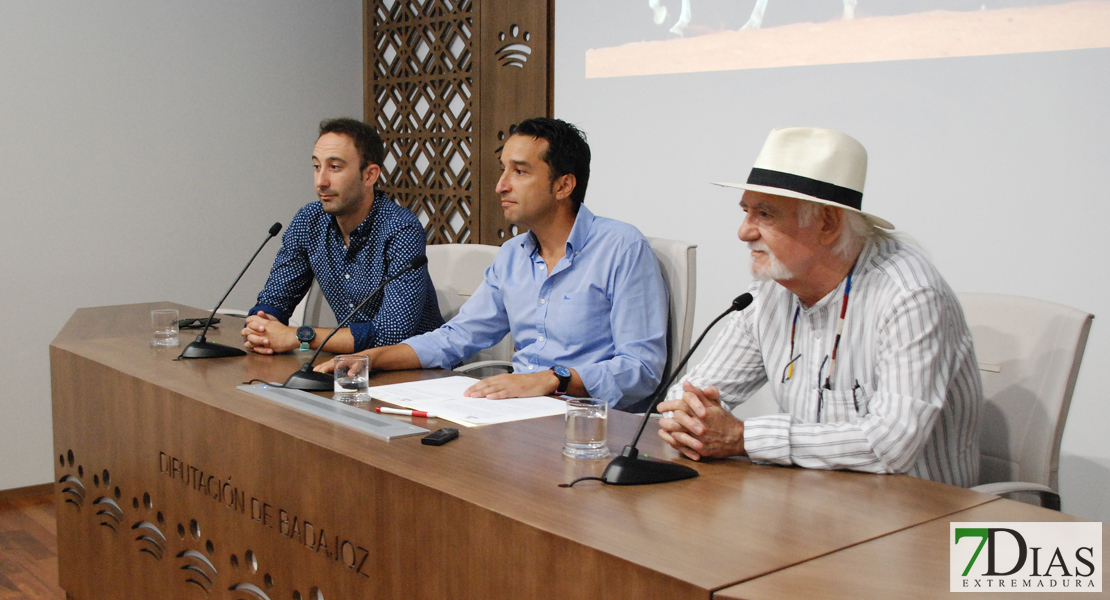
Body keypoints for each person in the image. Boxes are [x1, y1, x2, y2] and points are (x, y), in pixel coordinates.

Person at [657, 127, 982, 487]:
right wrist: (691, 420)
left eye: (764, 214)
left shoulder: (909, 296)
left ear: (826, 222)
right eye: (746, 211)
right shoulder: (768, 295)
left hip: (915, 517)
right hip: (808, 502)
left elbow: (890, 444)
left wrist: (743, 438)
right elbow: (686, 397)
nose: (744, 232)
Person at [317, 117, 669, 410]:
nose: (501, 185)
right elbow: (457, 337)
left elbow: (641, 369)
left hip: (587, 422)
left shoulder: (621, 247)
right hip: (519, 411)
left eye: (519, 172)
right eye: (504, 170)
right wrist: (375, 358)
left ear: (563, 186)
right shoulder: (514, 254)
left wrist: (552, 379)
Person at [241, 118, 443, 355]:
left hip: (415, 373)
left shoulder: (400, 227)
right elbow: (275, 298)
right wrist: (261, 327)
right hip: (352, 368)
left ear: (369, 175)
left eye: (334, 167)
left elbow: (392, 333)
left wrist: (299, 336)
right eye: (317, 166)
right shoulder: (309, 220)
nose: (321, 182)